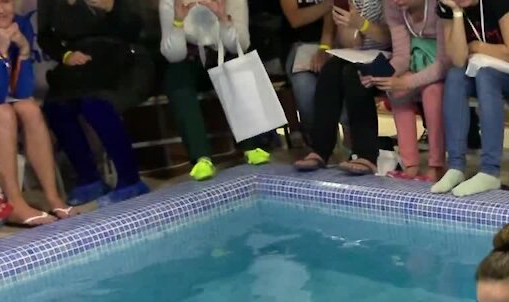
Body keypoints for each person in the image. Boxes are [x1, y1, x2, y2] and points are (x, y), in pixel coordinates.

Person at [0, 0, 74, 226]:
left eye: (5, 0)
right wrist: (0, 51)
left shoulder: (21, 25)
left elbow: (22, 91)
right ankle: (15, 203)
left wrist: (23, 51)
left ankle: (53, 197)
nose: (0, 9)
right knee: (2, 112)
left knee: (30, 109)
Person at [39, 0, 154, 207]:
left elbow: (141, 27)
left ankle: (130, 180)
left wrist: (111, 7)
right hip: (80, 62)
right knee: (56, 107)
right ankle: (89, 179)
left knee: (96, 103)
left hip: (125, 57)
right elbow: (45, 36)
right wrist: (66, 55)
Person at [159, 0, 275, 181]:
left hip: (223, 54)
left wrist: (223, 18)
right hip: (189, 59)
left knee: (237, 64)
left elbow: (241, 44)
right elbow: (173, 55)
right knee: (176, 78)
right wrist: (178, 21)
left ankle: (252, 146)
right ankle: (201, 158)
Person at [431, 0, 509, 196]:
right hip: (480, 69)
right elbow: (458, 59)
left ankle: (490, 170)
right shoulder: (449, 6)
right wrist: (456, 13)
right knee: (455, 75)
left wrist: (476, 46)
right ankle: (455, 166)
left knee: (486, 75)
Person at [292, 0, 390, 173]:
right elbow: (345, 40)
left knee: (354, 75)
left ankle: (366, 155)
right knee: (331, 69)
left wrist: (362, 24)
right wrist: (353, 34)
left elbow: (389, 37)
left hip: (391, 58)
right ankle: (320, 151)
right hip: (361, 56)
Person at [380, 0, 446, 182]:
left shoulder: (439, 5)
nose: (397, 1)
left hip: (446, 65)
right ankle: (410, 165)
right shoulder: (393, 5)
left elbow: (444, 63)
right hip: (417, 61)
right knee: (395, 91)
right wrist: (382, 74)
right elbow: (401, 55)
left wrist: (407, 82)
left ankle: (437, 165)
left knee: (432, 91)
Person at [279, 0, 332, 144]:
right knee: (304, 86)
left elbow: (332, 15)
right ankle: (317, 140)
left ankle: (350, 142)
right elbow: (295, 19)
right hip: (299, 46)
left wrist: (325, 47)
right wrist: (328, 5)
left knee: (344, 79)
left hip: (331, 43)